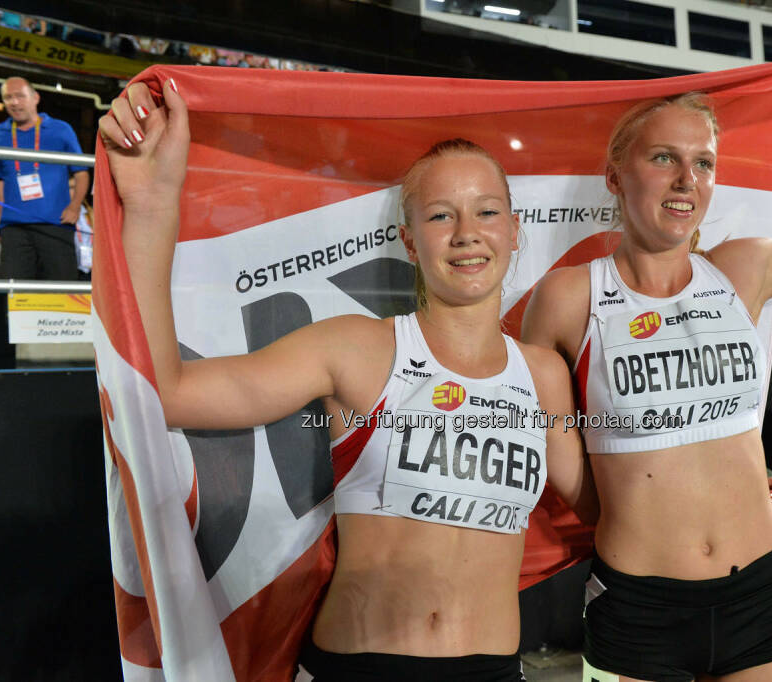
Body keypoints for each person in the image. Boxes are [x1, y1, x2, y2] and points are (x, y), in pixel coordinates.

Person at [99, 80, 601, 682]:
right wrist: (153, 204)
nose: (467, 231)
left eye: (487, 211)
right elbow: (171, 395)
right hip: (359, 668)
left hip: (492, 669)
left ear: (514, 230)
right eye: (441, 215)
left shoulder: (542, 374)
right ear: (410, 242)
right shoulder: (355, 348)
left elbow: (606, 507)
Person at [523, 44, 772, 681]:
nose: (686, 180)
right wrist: (639, 510)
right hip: (637, 605)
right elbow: (555, 441)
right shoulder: (566, 298)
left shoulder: (743, 269)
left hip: (759, 595)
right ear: (616, 175)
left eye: (703, 163)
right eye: (664, 157)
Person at [0, 77, 90, 280]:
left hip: (56, 225)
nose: (14, 102)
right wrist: (2, 220)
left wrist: (74, 207)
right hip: (14, 228)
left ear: (35, 97)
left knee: (61, 291)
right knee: (13, 294)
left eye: (20, 96)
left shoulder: (61, 129)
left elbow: (81, 172)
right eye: (8, 97)